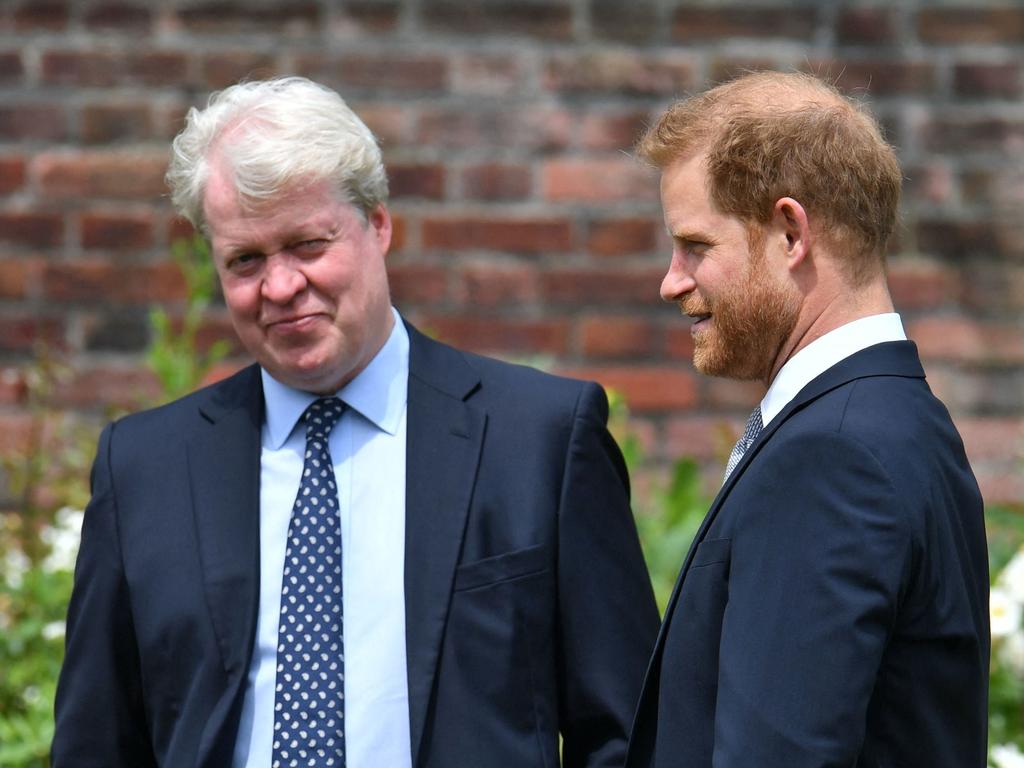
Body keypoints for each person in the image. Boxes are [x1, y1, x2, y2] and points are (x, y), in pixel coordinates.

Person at [52, 76, 659, 768]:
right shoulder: (144, 469)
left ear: (377, 224)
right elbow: (96, 744)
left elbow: (630, 733)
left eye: (308, 245)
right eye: (245, 260)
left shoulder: (538, 440)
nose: (279, 287)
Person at [625, 71, 990, 768]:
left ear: (790, 231)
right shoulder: (902, 421)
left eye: (696, 245)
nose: (670, 281)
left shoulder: (831, 456)